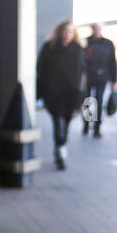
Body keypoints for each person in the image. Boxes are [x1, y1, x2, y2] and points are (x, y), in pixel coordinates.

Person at [35, 21, 84, 169]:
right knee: (58, 119)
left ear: (74, 34)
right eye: (65, 31)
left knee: (67, 121)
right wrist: (42, 90)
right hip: (53, 93)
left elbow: (82, 73)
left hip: (72, 94)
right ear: (59, 32)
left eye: (70, 31)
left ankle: (61, 146)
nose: (67, 34)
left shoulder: (78, 49)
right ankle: (60, 149)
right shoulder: (49, 47)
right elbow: (40, 68)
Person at [82, 23, 117, 138]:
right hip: (88, 77)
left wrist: (114, 80)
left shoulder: (108, 44)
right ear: (92, 29)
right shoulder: (86, 42)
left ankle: (97, 128)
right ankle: (86, 124)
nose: (97, 30)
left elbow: (112, 62)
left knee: (99, 101)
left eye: (99, 29)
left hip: (102, 78)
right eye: (95, 28)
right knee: (88, 101)